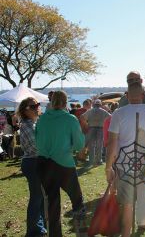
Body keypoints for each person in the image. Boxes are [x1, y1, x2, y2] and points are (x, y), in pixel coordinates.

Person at [106, 82, 145, 237]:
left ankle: (126, 234)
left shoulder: (118, 113)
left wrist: (108, 167)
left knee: (127, 206)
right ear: (143, 95)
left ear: (127, 95)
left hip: (126, 167)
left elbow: (112, 143)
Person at [36, 91, 86, 237]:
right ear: (65, 103)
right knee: (77, 200)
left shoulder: (42, 119)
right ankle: (81, 233)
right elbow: (79, 144)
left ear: (51, 102)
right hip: (63, 165)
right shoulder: (70, 119)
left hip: (44, 164)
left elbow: (37, 142)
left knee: (52, 203)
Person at [18, 98, 47, 237]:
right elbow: (37, 147)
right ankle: (34, 230)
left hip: (36, 162)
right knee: (36, 197)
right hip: (33, 163)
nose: (37, 107)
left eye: (38, 104)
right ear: (25, 110)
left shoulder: (34, 123)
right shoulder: (27, 125)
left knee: (39, 197)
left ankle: (40, 227)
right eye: (33, 106)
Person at [81, 99, 110, 165]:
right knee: (99, 145)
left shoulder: (90, 111)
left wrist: (86, 124)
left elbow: (82, 117)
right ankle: (99, 160)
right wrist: (104, 122)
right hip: (100, 128)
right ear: (100, 105)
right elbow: (110, 117)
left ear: (94, 104)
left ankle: (91, 160)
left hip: (91, 128)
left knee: (91, 145)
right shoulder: (103, 111)